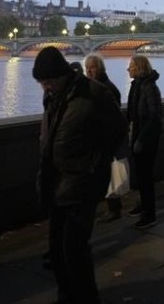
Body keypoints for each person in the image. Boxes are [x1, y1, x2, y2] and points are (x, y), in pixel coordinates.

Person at [34, 46, 126, 304]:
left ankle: (86, 298)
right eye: (42, 83)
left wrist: (95, 161)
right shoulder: (53, 95)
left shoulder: (94, 94)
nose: (45, 87)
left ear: (61, 74)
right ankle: (66, 295)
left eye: (48, 81)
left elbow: (118, 130)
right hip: (56, 181)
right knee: (56, 251)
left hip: (82, 183)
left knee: (74, 249)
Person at [85, 54, 128, 223]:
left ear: (100, 68)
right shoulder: (95, 86)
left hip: (105, 140)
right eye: (87, 67)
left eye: (92, 67)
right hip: (98, 139)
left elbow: (113, 118)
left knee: (108, 175)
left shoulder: (106, 88)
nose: (89, 70)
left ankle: (114, 209)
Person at [125, 55, 164, 229]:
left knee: (145, 176)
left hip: (147, 139)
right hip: (138, 135)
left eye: (131, 66)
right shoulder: (137, 86)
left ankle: (150, 214)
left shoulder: (149, 88)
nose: (128, 69)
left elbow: (154, 118)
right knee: (140, 175)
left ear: (139, 68)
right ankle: (143, 205)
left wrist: (140, 139)